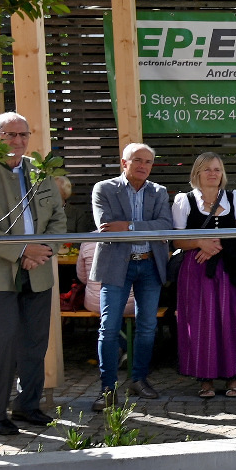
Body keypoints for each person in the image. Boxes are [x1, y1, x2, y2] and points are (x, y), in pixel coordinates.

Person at [0, 112, 67, 436]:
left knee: (35, 342)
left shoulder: (39, 171)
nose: (18, 141)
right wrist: (22, 250)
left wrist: (42, 251)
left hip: (38, 268)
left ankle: (28, 406)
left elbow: (57, 217)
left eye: (23, 135)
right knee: (4, 337)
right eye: (10, 135)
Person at [91, 141, 173, 408]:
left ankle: (139, 379)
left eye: (148, 161)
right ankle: (108, 389)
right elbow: (105, 226)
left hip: (150, 264)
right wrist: (141, 229)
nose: (143, 166)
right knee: (109, 327)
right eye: (137, 160)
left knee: (148, 327)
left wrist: (127, 225)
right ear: (124, 163)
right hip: (117, 265)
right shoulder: (104, 189)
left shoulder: (159, 191)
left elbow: (164, 225)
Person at [172, 153, 236, 400]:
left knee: (232, 319)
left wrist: (218, 244)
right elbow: (175, 240)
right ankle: (205, 379)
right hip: (196, 268)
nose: (213, 173)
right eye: (207, 169)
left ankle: (233, 376)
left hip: (230, 266)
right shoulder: (183, 200)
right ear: (197, 173)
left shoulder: (234, 197)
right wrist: (199, 242)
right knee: (199, 322)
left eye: (217, 169)